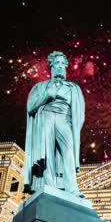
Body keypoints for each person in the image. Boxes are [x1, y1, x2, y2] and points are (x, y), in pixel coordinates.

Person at [23, 51, 85, 196]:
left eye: (63, 64)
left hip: (65, 119)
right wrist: (46, 96)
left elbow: (80, 112)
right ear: (51, 66)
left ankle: (72, 188)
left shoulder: (74, 88)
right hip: (46, 117)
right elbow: (30, 107)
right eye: (57, 63)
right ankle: (49, 185)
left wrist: (74, 126)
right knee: (47, 153)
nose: (60, 66)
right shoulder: (40, 87)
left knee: (68, 153)